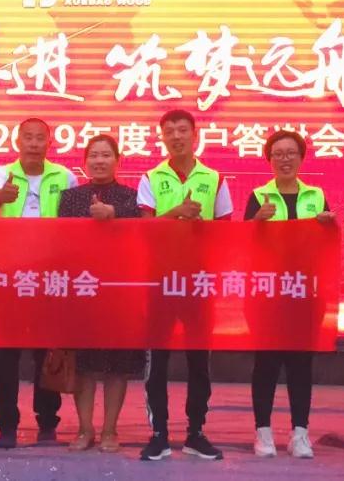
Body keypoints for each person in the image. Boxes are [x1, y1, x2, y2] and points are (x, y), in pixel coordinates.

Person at [136, 109, 232, 462]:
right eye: (170, 131)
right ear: (162, 137)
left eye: (182, 130)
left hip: (199, 281)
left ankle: (196, 433)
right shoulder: (151, 177)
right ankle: (158, 433)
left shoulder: (215, 178)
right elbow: (144, 229)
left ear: (195, 134)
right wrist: (175, 212)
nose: (176, 136)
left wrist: (200, 224)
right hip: (159, 280)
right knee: (157, 360)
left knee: (199, 361)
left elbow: (226, 232)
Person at [0, 117, 78, 449]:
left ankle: (47, 421)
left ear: (49, 144)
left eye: (41, 138)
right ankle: (7, 423)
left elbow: (75, 220)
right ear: (18, 142)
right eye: (28, 137)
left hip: (50, 275)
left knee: (46, 353)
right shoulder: (3, 173)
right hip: (11, 275)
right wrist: (2, 195)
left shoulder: (64, 176)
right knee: (5, 353)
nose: (34, 143)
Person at [244, 130, 335, 459]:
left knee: (301, 364)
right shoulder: (259, 195)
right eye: (278, 154)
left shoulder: (316, 195)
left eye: (291, 153)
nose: (285, 159)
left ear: (301, 158)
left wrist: (328, 225)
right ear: (269, 160)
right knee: (265, 364)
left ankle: (300, 433)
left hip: (305, 293)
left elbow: (327, 243)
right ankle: (263, 433)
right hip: (267, 294)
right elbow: (242, 244)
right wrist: (256, 221)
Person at [57, 135, 143, 454]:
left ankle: (110, 430)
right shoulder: (70, 198)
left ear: (118, 161)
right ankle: (84, 429)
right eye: (93, 155)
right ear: (85, 162)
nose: (99, 161)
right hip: (82, 288)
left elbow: (139, 240)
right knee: (84, 364)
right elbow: (63, 242)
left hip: (120, 289)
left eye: (106, 155)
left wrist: (114, 215)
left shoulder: (132, 198)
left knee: (117, 365)